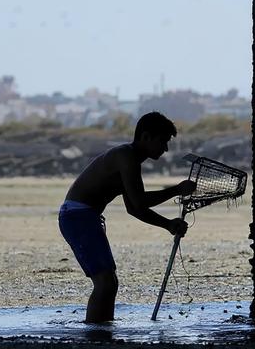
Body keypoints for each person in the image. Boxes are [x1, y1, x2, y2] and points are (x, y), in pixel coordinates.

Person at [58, 111, 196, 323]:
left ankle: (103, 330)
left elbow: (134, 208)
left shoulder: (130, 160)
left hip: (83, 216)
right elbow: (140, 202)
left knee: (109, 282)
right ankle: (96, 335)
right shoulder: (126, 157)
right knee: (105, 283)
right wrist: (176, 190)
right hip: (78, 216)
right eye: (163, 141)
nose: (166, 148)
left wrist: (168, 224)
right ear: (146, 136)